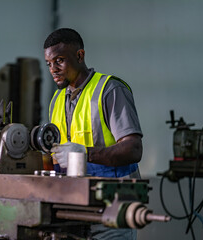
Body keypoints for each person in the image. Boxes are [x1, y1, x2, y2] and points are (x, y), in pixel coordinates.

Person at [44, 28, 143, 239]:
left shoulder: (109, 90)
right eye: (49, 63)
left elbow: (133, 149)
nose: (53, 69)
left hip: (113, 209)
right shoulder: (56, 101)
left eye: (59, 60)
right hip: (74, 211)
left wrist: (85, 154)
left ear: (80, 55)